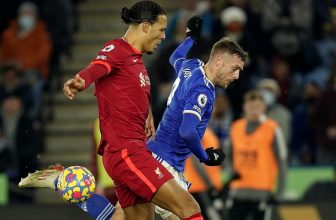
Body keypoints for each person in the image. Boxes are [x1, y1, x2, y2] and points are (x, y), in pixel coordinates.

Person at [19, 2, 217, 220]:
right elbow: (99, 66)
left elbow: (131, 92)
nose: (163, 36)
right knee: (188, 208)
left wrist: (147, 112)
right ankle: (62, 181)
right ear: (145, 27)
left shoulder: (137, 62)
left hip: (129, 153)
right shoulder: (117, 49)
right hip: (127, 153)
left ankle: (61, 181)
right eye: (161, 30)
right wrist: (81, 81)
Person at [226, 90, 287, 220]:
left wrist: (280, 192)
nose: (254, 110)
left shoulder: (273, 128)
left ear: (264, 107)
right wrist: (231, 172)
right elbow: (227, 155)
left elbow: (282, 160)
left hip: (262, 192)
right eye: (251, 106)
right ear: (244, 107)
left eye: (258, 106)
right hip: (238, 191)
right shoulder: (236, 127)